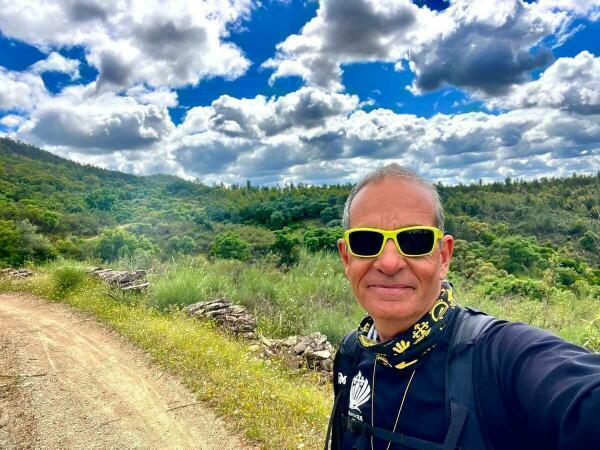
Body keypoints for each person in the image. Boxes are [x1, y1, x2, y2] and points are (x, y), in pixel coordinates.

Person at [326, 163, 600, 450]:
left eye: (414, 240)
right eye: (367, 242)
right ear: (347, 259)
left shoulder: (495, 358)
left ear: (443, 257)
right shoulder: (352, 353)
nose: (389, 263)